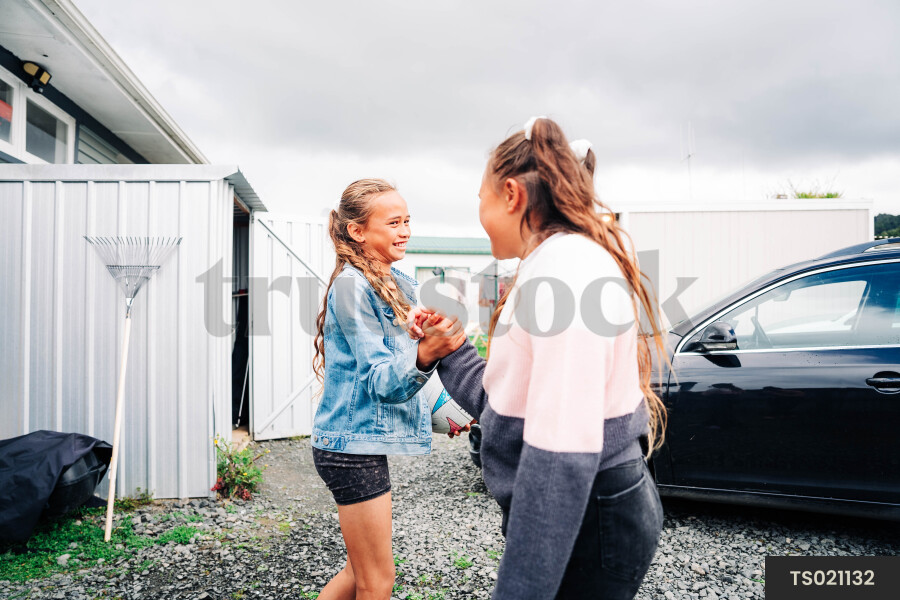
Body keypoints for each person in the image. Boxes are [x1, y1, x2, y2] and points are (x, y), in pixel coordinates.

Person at [415, 117, 669, 600]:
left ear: (511, 195)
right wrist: (453, 349)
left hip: (588, 513)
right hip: (587, 508)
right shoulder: (547, 266)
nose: (480, 214)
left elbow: (561, 456)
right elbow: (506, 405)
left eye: (480, 199)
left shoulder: (567, 269)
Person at [310, 178, 463, 600]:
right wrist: (426, 352)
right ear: (357, 231)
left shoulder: (397, 281)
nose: (405, 230)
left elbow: (405, 359)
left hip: (357, 446)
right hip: (349, 451)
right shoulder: (352, 285)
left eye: (408, 221)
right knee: (378, 582)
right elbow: (382, 380)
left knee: (358, 574)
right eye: (394, 222)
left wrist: (448, 410)